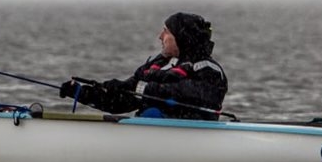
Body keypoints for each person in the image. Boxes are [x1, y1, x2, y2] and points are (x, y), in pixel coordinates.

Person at [59, 12, 228, 120]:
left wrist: (142, 89)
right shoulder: (156, 65)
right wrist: (82, 93)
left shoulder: (208, 68)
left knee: (152, 113)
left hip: (192, 136)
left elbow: (192, 94)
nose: (160, 36)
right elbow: (123, 101)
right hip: (152, 134)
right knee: (149, 113)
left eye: (166, 32)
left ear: (181, 37)